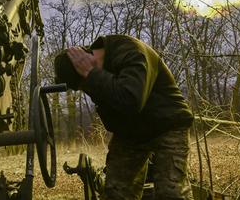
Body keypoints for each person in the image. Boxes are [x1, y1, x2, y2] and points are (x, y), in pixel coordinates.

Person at [55, 35, 194, 200]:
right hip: (131, 132)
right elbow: (112, 123)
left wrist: (93, 74)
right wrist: (94, 81)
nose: (87, 90)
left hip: (168, 125)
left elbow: (131, 101)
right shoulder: (98, 76)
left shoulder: (131, 51)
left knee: (171, 193)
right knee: (116, 193)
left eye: (84, 85)